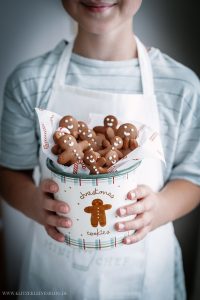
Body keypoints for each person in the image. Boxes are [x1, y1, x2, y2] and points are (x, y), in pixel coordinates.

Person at [0, 0, 200, 299]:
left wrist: (161, 208)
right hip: (54, 275)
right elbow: (8, 170)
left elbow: (194, 178)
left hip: (145, 281)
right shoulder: (30, 81)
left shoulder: (180, 86)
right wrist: (33, 201)